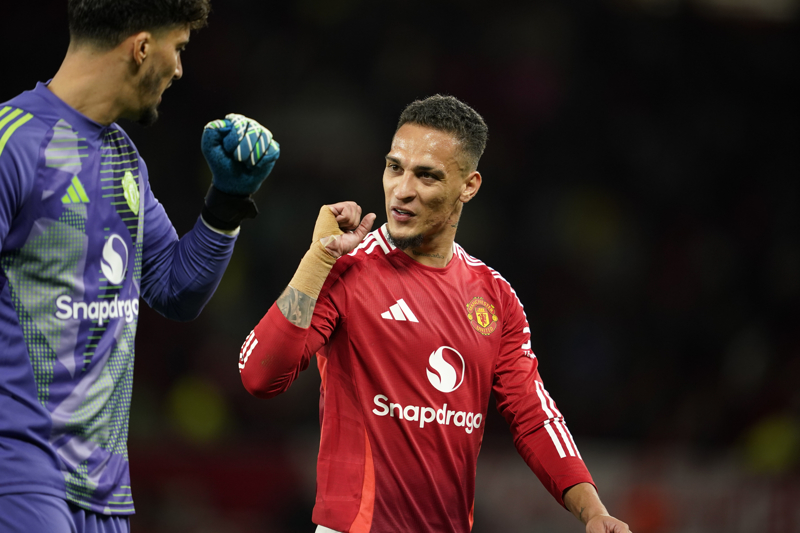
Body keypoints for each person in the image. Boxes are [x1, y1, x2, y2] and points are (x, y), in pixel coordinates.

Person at [238, 95, 630, 533]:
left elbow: (533, 416)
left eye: (426, 175)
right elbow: (259, 376)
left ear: (469, 185)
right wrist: (318, 259)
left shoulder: (495, 296)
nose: (402, 190)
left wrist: (594, 511)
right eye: (395, 168)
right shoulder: (347, 271)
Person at [0, 1, 280, 531]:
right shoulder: (11, 143)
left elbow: (175, 289)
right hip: (19, 471)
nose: (179, 69)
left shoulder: (123, 156)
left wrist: (225, 202)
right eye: (179, 48)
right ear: (143, 47)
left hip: (104, 489)